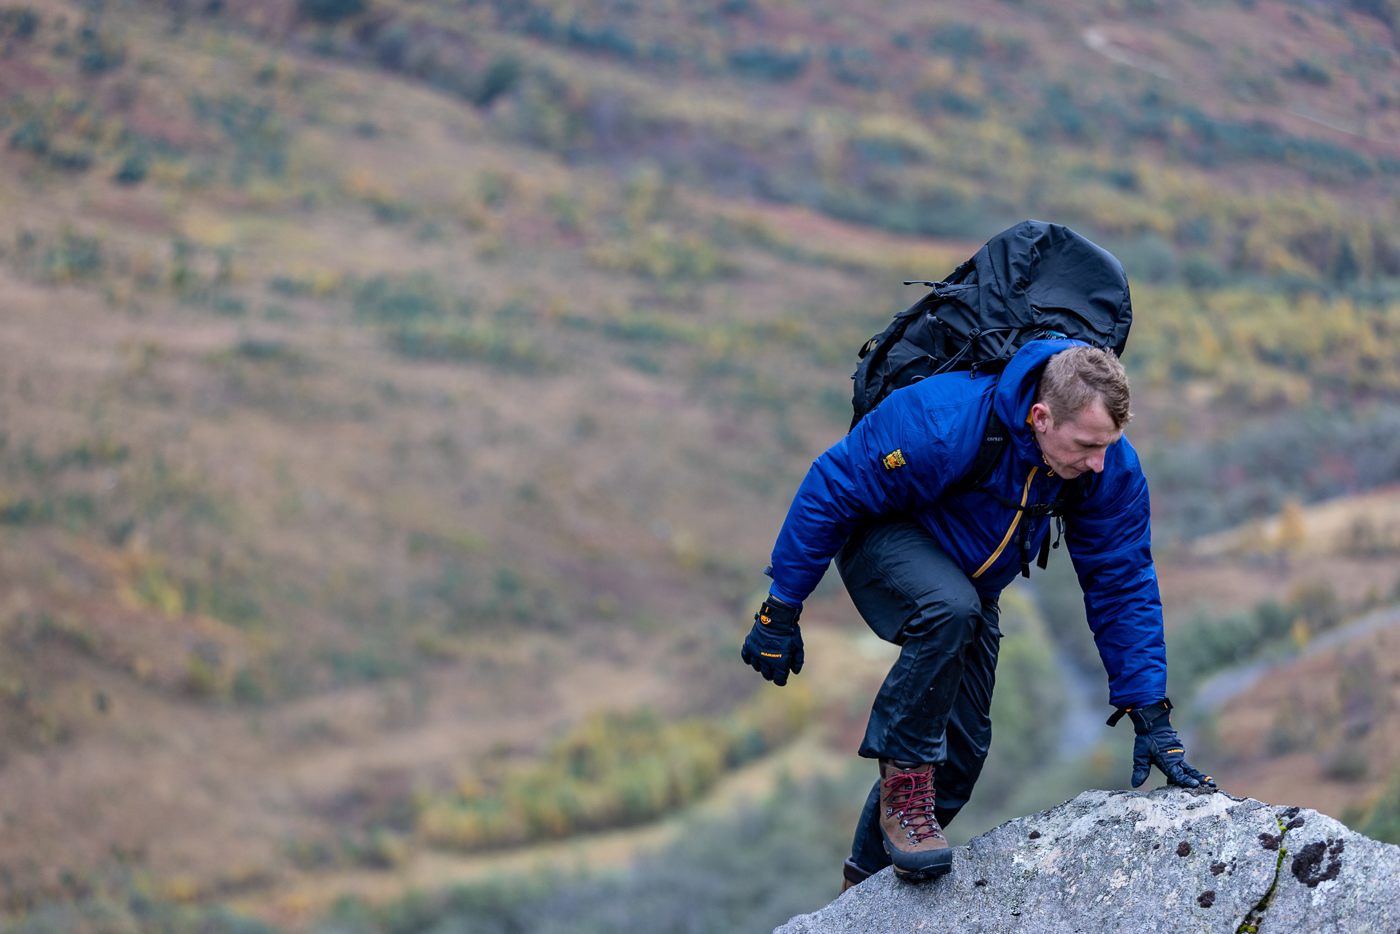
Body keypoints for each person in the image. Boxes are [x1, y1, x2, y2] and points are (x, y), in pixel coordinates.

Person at [740, 339, 1213, 890]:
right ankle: (902, 790)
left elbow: (1122, 579)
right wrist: (781, 608)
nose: (1098, 462)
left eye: (1109, 445)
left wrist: (1150, 712)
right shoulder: (944, 421)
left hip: (966, 582)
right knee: (950, 609)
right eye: (1087, 444)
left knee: (960, 758)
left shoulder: (1107, 468)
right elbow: (833, 485)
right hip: (884, 539)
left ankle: (857, 895)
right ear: (1040, 417)